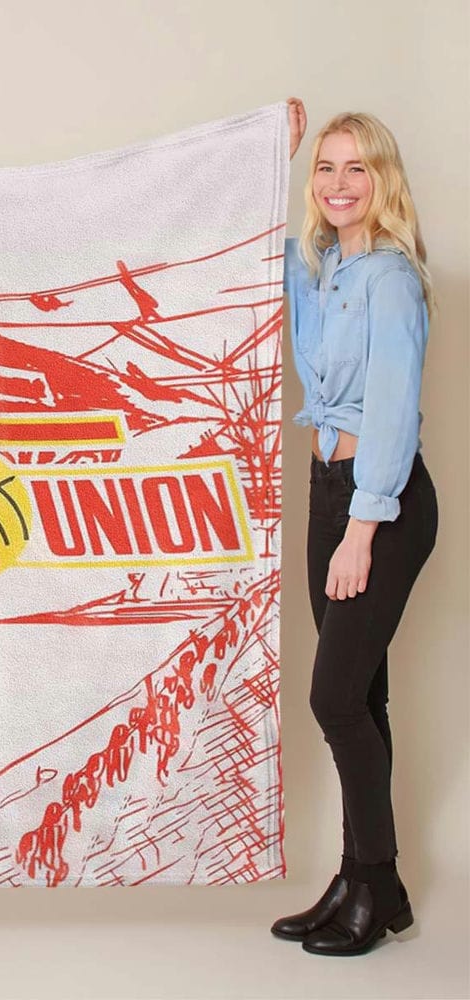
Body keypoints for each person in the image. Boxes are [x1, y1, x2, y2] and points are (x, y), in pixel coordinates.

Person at [272, 99, 438, 956]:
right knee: (362, 697)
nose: (338, 183)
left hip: (382, 503)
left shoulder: (390, 279)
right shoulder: (323, 267)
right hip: (327, 490)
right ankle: (365, 882)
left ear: (384, 179)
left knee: (334, 698)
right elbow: (256, 253)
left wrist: (362, 530)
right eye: (325, 168)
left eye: (356, 168)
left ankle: (374, 882)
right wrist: (271, 152)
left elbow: (395, 418)